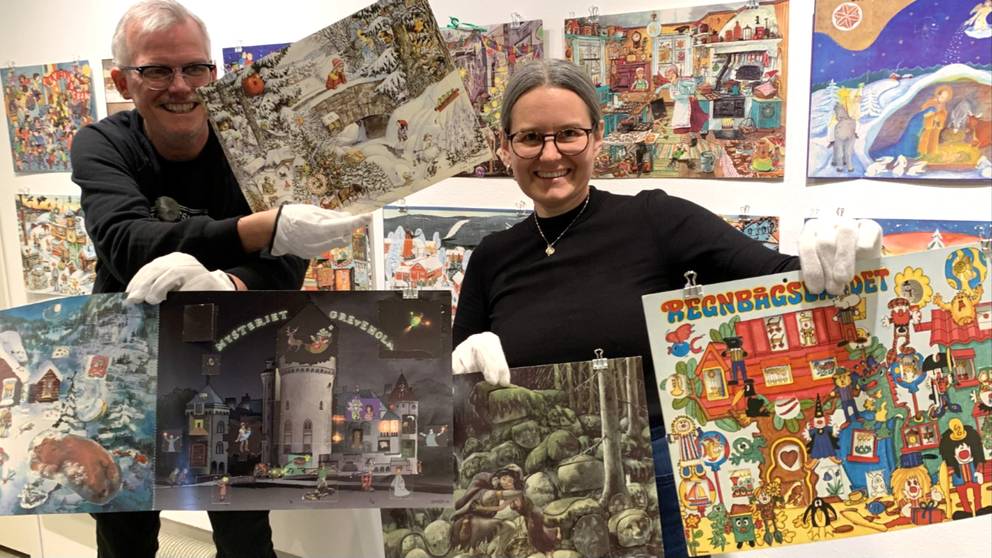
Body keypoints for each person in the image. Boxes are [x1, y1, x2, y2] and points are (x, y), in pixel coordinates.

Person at [451, 59, 880, 558]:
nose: (550, 153)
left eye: (568, 134)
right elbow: (450, 406)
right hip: (536, 496)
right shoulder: (492, 257)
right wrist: (461, 369)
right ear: (506, 147)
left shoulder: (655, 220)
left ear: (597, 138)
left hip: (664, 491)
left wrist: (850, 254)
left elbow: (786, 278)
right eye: (530, 138)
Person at [71, 2, 366, 557]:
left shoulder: (254, 147)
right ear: (123, 81)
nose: (181, 86)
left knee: (245, 529)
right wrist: (259, 228)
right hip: (131, 365)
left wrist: (228, 284)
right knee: (124, 530)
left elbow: (287, 263)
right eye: (157, 70)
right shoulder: (102, 144)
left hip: (232, 357)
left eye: (195, 68)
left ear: (214, 71)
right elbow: (125, 243)